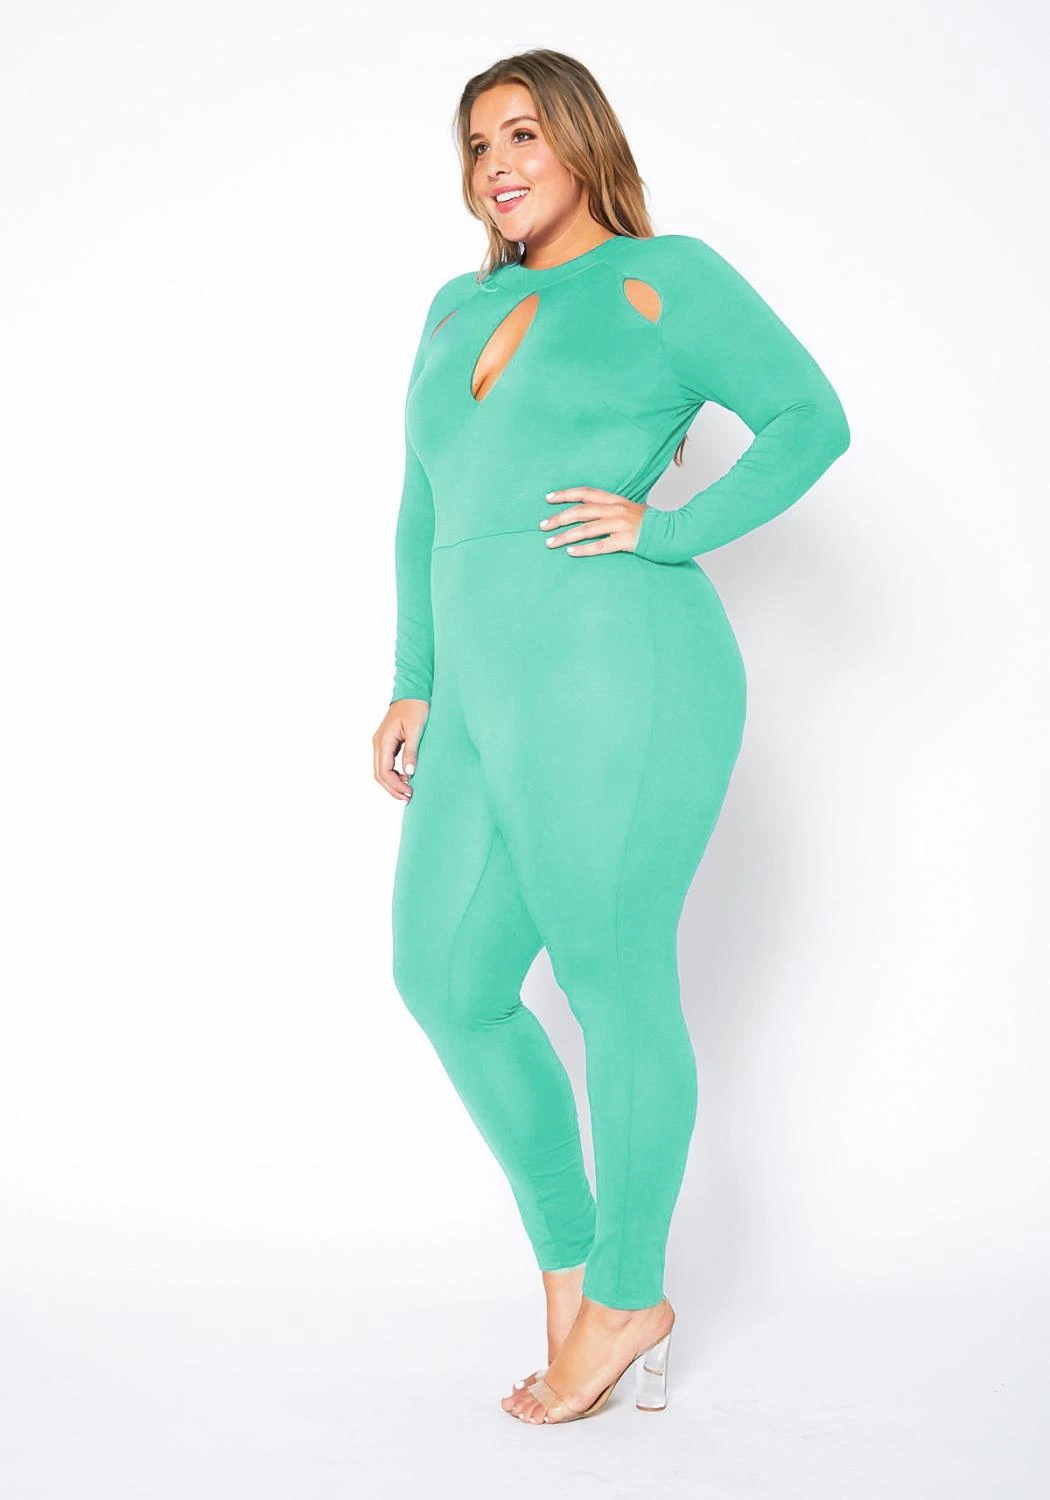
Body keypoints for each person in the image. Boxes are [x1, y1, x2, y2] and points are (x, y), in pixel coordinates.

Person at [372, 48, 850, 1425]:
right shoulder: (455, 307)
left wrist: (671, 528)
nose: (497, 165)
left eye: (523, 133)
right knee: (444, 976)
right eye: (477, 145)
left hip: (619, 671)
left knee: (609, 975)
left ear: (581, 140)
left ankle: (632, 1291)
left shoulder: (662, 278)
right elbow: (424, 501)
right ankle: (578, 1265)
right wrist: (413, 678)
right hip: (479, 690)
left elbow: (809, 419)